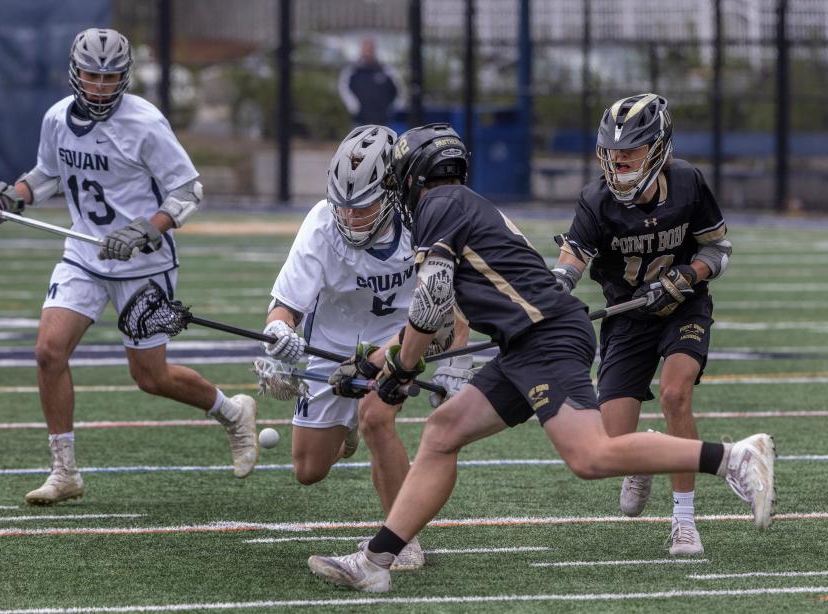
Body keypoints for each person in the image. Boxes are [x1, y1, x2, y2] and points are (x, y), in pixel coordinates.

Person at [305, 123, 775, 593]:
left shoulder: (438, 204)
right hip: (527, 341)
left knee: (591, 456)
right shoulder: (457, 204)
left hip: (545, 337)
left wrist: (400, 373)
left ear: (414, 174)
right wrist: (375, 365)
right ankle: (377, 559)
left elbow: (430, 303)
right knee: (443, 432)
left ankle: (733, 458)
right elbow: (440, 316)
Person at [0, 28, 259, 505]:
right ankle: (64, 472)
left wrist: (147, 228)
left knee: (150, 377)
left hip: (142, 262)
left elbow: (187, 192)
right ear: (74, 73)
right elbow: (46, 176)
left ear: (124, 77)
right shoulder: (57, 118)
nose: (99, 85)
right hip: (83, 254)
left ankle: (230, 411)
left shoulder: (145, 123)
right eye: (91, 75)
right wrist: (7, 199)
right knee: (48, 352)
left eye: (110, 76)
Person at [261, 124, 470, 571]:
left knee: (377, 417)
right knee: (308, 470)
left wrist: (455, 359)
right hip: (332, 339)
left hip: (402, 331)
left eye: (364, 207)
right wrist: (279, 339)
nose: (351, 218)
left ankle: (401, 540)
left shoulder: (422, 219)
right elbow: (285, 307)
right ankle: (345, 430)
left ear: (393, 193)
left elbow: (455, 304)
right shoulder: (321, 222)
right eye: (344, 206)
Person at [550, 93, 733, 555]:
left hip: (683, 307)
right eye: (613, 151)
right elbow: (570, 264)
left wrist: (689, 274)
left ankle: (684, 520)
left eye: (631, 148)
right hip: (627, 315)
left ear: (659, 147)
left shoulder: (688, 182)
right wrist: (547, 299)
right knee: (608, 441)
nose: (620, 159)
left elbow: (718, 251)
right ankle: (645, 452)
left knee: (675, 393)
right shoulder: (595, 201)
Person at [338, 38, 403, 127]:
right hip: (359, 121)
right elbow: (343, 88)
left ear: (374, 50)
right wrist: (353, 106)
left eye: (370, 49)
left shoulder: (386, 70)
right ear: (361, 50)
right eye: (365, 49)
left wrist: (393, 108)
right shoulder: (352, 71)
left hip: (383, 121)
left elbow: (399, 90)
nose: (368, 52)